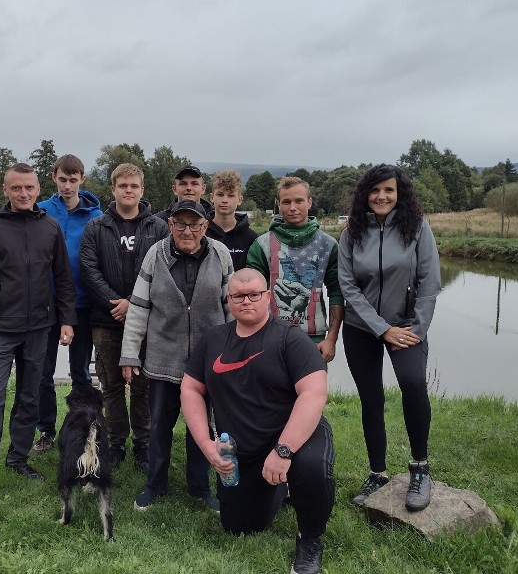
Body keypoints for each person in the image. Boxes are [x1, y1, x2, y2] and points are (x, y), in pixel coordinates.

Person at [181, 268, 334, 574]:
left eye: (254, 294)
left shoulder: (291, 338)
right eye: (239, 295)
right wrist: (207, 445)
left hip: (295, 438)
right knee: (240, 527)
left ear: (267, 297)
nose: (246, 300)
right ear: (229, 300)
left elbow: (314, 394)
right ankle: (283, 488)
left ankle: (310, 539)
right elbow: (190, 388)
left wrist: (283, 451)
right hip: (243, 450)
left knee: (311, 467)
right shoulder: (213, 339)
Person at [0, 163, 76, 520]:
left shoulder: (50, 227)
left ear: (39, 190)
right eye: (17, 188)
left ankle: (18, 458)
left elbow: (63, 279)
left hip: (40, 328)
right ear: (6, 191)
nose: (24, 194)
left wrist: (67, 319)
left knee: (29, 396)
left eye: (30, 188)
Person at [337, 164, 441, 511]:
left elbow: (430, 283)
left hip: (407, 326)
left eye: (389, 190)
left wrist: (416, 328)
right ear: (365, 195)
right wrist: (382, 328)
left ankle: (420, 469)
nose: (381, 197)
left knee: (413, 384)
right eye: (375, 190)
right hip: (361, 327)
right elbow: (347, 285)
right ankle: (378, 473)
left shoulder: (417, 228)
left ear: (400, 194)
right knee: (371, 399)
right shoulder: (351, 231)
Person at [120, 199, 233, 511]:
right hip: (162, 360)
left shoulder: (220, 255)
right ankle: (155, 484)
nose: (187, 230)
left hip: (207, 363)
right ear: (170, 225)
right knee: (159, 426)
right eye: (180, 224)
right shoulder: (155, 255)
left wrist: (235, 354)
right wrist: (129, 354)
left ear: (205, 227)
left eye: (194, 224)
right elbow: (139, 308)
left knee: (204, 428)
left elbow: (231, 308)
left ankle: (199, 487)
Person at [80, 163, 169, 471]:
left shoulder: (158, 228)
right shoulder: (97, 226)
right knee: (112, 385)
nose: (128, 190)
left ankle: (143, 444)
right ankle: (116, 443)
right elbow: (88, 270)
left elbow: (165, 271)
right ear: (113, 189)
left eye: (134, 186)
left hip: (146, 321)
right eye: (123, 186)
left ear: (142, 190)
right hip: (106, 320)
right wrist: (113, 302)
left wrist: (133, 303)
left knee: (144, 385)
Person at [32, 154, 103, 454]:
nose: (68, 185)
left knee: (80, 373)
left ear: (82, 180)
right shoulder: (41, 211)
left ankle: (82, 428)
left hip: (83, 305)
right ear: (54, 178)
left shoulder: (96, 216)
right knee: (43, 372)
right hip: (46, 305)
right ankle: (46, 430)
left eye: (73, 180)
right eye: (63, 179)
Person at [246, 177, 344, 363]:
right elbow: (251, 296)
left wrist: (331, 339)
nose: (292, 207)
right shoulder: (262, 245)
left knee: (312, 392)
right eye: (286, 202)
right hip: (269, 336)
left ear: (309, 202)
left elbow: (336, 293)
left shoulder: (329, 245)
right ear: (279, 205)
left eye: (299, 200)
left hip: (314, 339)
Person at [205, 169, 258, 271]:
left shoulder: (251, 238)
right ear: (212, 197)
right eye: (220, 194)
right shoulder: (201, 233)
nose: (225, 200)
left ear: (240, 199)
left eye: (231, 195)